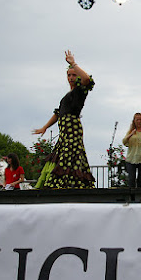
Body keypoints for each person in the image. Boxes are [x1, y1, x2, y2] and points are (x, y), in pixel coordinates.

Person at [33, 50, 95, 189]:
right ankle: (66, 184)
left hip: (72, 129)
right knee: (64, 155)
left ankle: (64, 185)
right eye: (69, 75)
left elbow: (86, 79)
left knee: (69, 155)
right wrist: (45, 127)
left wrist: (73, 63)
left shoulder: (80, 91)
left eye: (74, 75)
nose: (71, 77)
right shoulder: (67, 95)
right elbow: (57, 113)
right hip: (64, 131)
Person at [122, 113, 141, 188]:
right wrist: (130, 134)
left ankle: (140, 198)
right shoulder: (131, 131)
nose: (139, 121)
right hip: (131, 158)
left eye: (140, 119)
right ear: (134, 121)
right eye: (137, 119)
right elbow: (124, 142)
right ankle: (132, 198)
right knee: (131, 179)